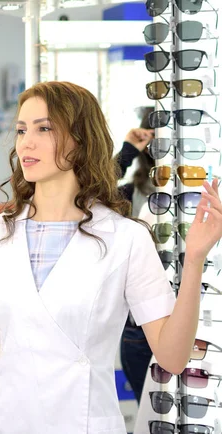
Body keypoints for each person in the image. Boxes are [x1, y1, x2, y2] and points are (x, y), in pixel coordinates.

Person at [0, 81, 222, 434]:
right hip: (6, 421)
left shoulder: (126, 237)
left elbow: (171, 357)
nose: (26, 142)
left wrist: (196, 258)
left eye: (44, 128)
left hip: (84, 422)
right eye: (21, 130)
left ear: (81, 139)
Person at [115, 108, 156, 403]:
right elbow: (87, 193)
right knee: (151, 418)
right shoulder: (130, 195)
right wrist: (127, 152)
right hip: (138, 332)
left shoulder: (207, 193)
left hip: (200, 325)